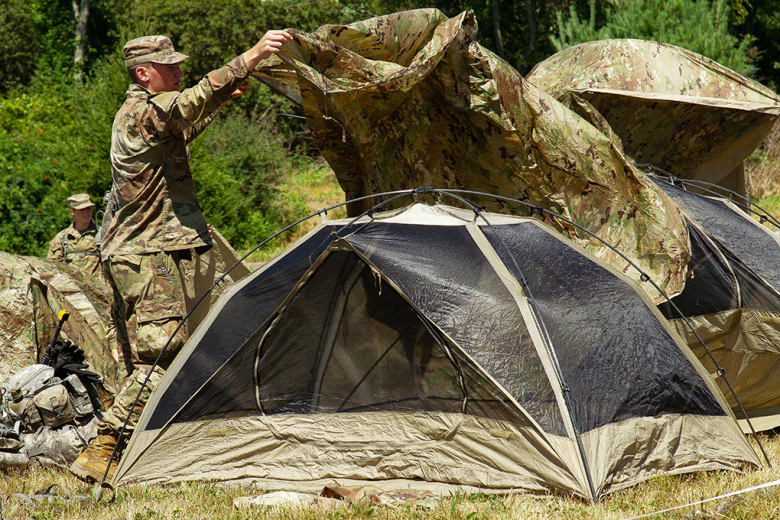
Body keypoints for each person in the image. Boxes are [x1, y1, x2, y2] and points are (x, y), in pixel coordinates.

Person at [70, 30, 293, 482]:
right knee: (166, 353)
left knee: (163, 349)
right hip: (146, 253)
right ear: (143, 73)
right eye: (168, 66)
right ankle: (104, 448)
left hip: (153, 250)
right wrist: (250, 57)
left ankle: (138, 444)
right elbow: (187, 105)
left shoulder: (151, 116)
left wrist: (224, 95)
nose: (178, 70)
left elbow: (185, 123)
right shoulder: (141, 111)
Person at [47, 193, 101, 276]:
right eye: (82, 209)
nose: (87, 212)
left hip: (96, 284)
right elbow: (52, 266)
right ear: (72, 212)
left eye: (89, 208)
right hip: (71, 283)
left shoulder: (101, 235)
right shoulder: (62, 237)